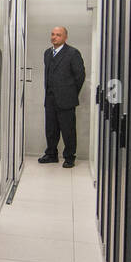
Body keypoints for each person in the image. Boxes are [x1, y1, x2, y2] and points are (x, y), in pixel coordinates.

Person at [39, 26, 86, 168]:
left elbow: (80, 76)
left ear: (65, 37)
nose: (54, 37)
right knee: (51, 128)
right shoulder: (47, 53)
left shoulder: (72, 53)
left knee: (68, 129)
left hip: (67, 99)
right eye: (52, 34)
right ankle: (51, 154)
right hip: (50, 98)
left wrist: (71, 93)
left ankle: (69, 157)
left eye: (58, 35)